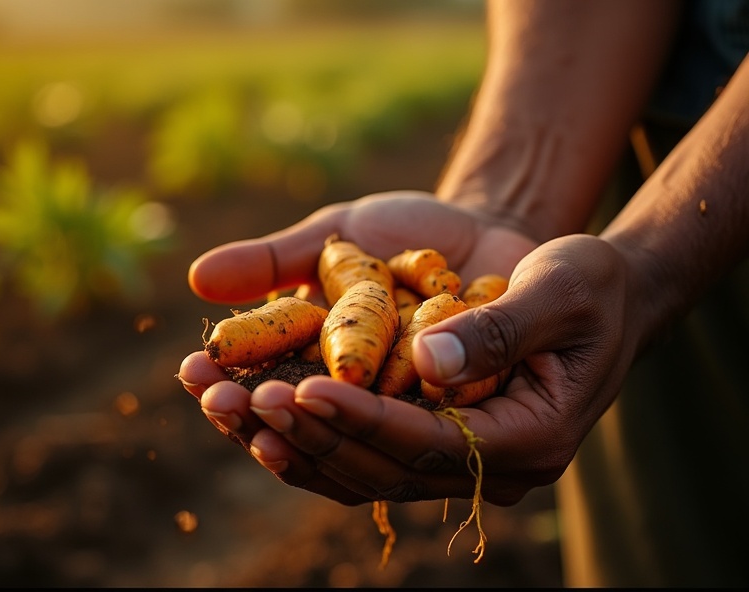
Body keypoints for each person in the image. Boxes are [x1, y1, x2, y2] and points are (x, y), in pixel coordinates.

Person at [178, 0, 749, 586]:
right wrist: (507, 203)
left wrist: (650, 266)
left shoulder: (427, 299)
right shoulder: (379, 295)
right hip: (640, 138)